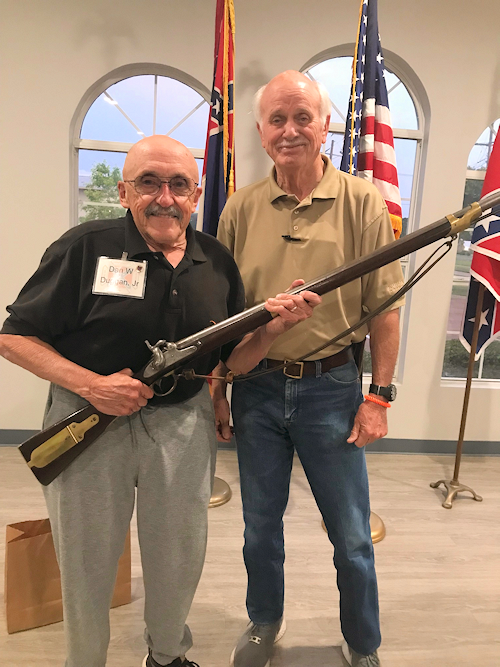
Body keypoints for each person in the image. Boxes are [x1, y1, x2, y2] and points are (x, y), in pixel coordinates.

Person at [0, 135, 320, 667]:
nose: (163, 197)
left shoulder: (215, 260)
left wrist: (271, 329)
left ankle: (167, 655)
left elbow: (232, 360)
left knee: (179, 555)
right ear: (125, 192)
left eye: (178, 185)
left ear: (196, 196)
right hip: (87, 420)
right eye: (148, 182)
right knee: (86, 564)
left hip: (183, 424)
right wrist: (92, 384)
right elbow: (13, 337)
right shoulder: (84, 246)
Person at [213, 71, 405, 667]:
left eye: (303, 117)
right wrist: (220, 391)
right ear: (261, 130)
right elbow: (222, 314)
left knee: (350, 537)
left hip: (334, 390)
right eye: (277, 119)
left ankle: (362, 642)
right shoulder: (239, 208)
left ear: (326, 125)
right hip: (256, 388)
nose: (290, 130)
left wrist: (379, 396)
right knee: (258, 529)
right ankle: (264, 622)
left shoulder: (362, 200)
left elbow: (386, 308)